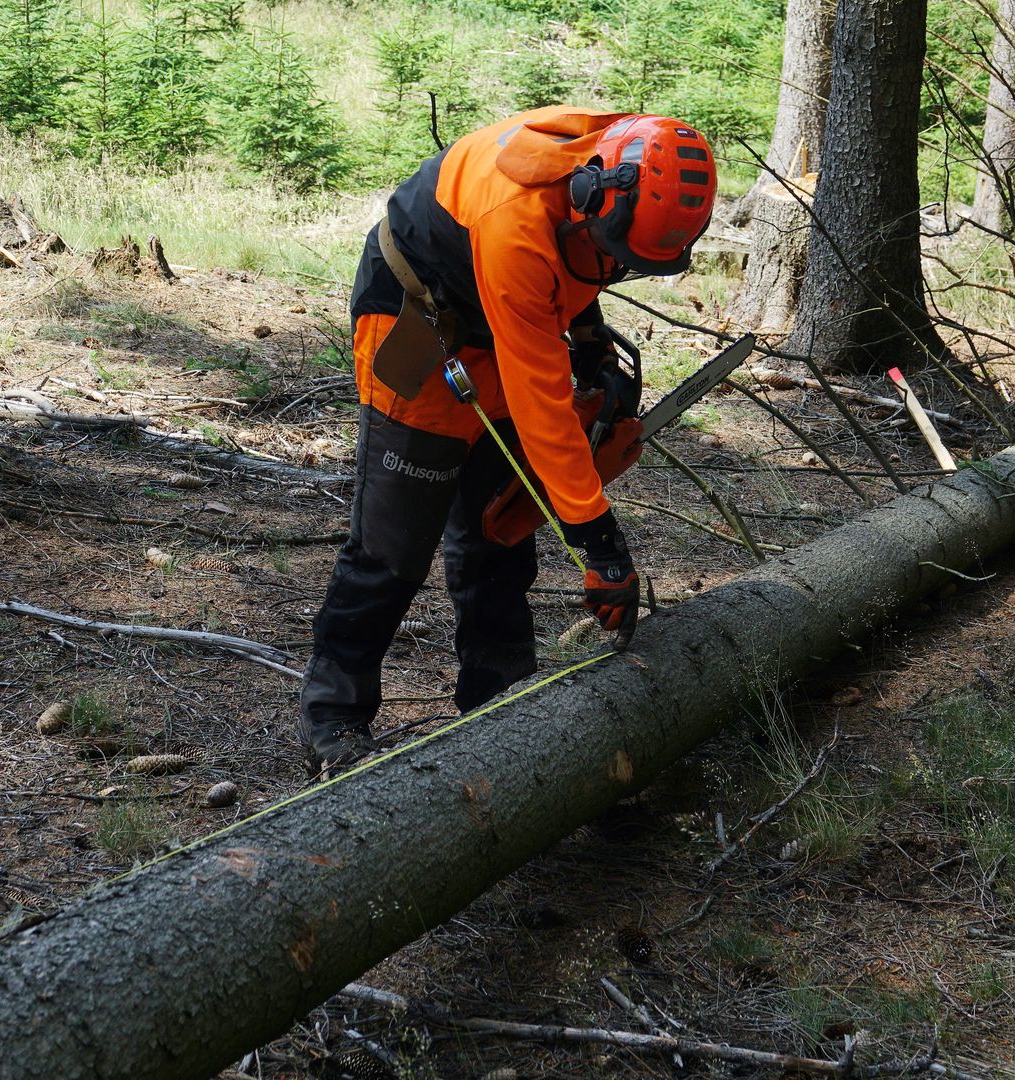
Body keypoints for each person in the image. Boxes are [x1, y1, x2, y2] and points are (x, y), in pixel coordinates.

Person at [298, 106, 717, 775]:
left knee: (498, 533)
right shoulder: (514, 224)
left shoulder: (604, 156)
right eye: (614, 251)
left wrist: (591, 345)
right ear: (591, 193)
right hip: (420, 318)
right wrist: (600, 544)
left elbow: (577, 260)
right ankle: (333, 716)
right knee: (393, 544)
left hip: (503, 322)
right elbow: (542, 407)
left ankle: (499, 704)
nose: (615, 266)